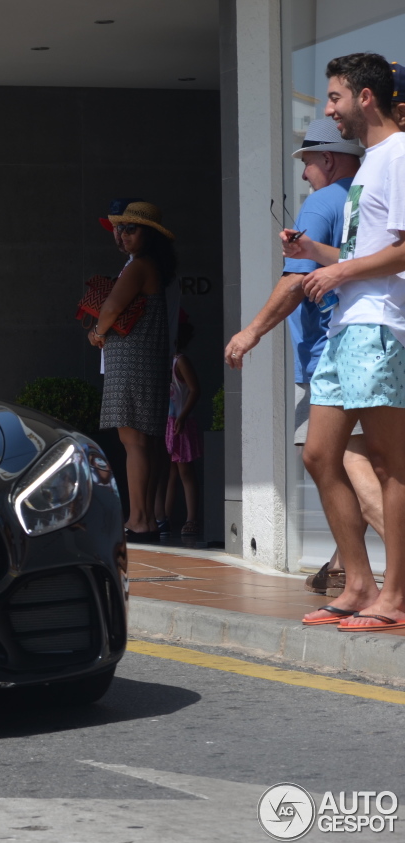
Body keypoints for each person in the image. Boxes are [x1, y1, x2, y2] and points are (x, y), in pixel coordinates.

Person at [224, 115, 378, 596]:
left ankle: (363, 579)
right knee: (369, 467)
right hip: (377, 349)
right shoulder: (366, 199)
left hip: (331, 358)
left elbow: (294, 281)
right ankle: (343, 568)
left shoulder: (321, 202)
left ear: (328, 159)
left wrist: (250, 332)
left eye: (308, 163)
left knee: (336, 460)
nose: (306, 174)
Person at [284, 53, 405, 632]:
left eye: (333, 97)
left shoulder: (400, 154)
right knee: (318, 455)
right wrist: (320, 257)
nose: (328, 109)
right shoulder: (372, 165)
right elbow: (364, 256)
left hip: (379, 325)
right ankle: (358, 583)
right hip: (346, 327)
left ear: (364, 97)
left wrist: (339, 274)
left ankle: (395, 596)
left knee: (389, 463)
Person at [88, 201, 176, 542]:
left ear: (149, 235)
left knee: (133, 440)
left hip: (132, 359)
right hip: (147, 358)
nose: (121, 235)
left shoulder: (139, 266)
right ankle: (147, 518)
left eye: (131, 229)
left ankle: (139, 519)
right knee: (146, 441)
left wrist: (97, 332)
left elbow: (111, 307)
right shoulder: (156, 265)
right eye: (119, 228)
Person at [164, 320, 202, 536]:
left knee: (185, 471)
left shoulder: (180, 361)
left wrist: (183, 416)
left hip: (180, 421)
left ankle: (191, 518)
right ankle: (165, 518)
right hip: (169, 422)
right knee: (170, 473)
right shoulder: (166, 361)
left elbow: (195, 389)